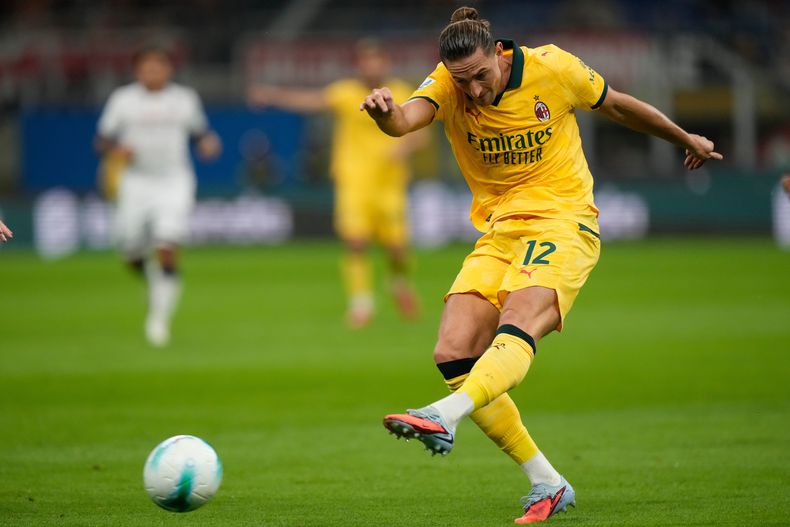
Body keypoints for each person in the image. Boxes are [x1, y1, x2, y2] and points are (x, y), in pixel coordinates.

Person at [361, 7, 722, 525]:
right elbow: (404, 121)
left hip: (563, 221)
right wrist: (383, 114)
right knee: (454, 350)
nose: (474, 91)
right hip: (500, 230)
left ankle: (444, 415)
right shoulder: (448, 82)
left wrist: (685, 137)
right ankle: (547, 481)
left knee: (518, 320)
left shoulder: (553, 68)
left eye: (480, 76)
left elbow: (618, 106)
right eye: (463, 82)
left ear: (499, 53)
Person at [248, 39, 425, 328]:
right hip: (353, 181)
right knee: (355, 242)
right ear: (358, 66)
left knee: (396, 249)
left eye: (376, 60)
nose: (371, 66)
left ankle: (398, 282)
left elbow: (420, 134)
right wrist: (272, 95)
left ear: (386, 63)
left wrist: (402, 148)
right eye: (365, 61)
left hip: (389, 183)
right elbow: (310, 101)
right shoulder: (345, 93)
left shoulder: (402, 92)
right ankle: (361, 303)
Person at [96, 46, 222, 347]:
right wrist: (117, 150)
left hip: (174, 181)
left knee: (167, 245)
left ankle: (158, 321)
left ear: (168, 70)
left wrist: (207, 143)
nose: (152, 73)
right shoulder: (123, 100)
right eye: (146, 68)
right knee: (130, 252)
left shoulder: (184, 99)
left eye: (157, 67)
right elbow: (101, 140)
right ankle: (153, 281)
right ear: (137, 71)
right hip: (135, 182)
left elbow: (200, 132)